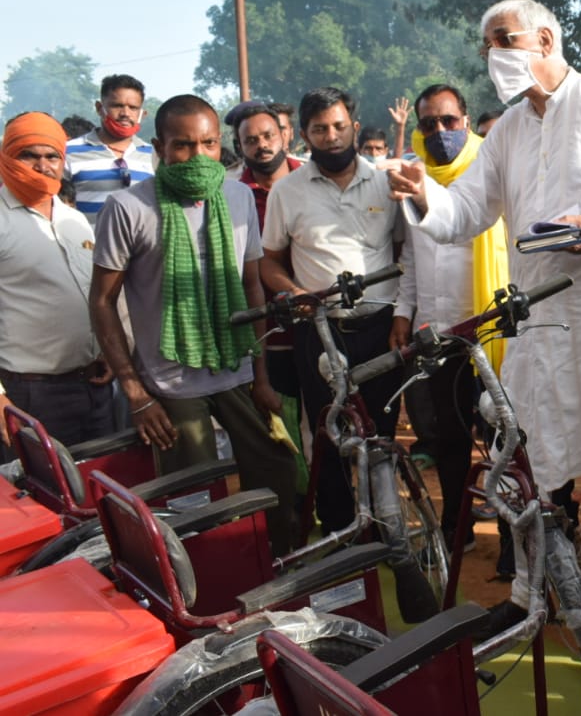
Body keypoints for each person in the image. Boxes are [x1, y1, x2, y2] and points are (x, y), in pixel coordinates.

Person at [386, 0, 581, 665]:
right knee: (528, 461)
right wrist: (421, 192)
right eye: (486, 43)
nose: (494, 53)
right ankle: (528, 594)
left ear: (546, 37)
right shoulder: (508, 130)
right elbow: (465, 212)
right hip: (538, 316)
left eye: (505, 38)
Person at [89, 95, 298, 555]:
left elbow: (251, 288)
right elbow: (102, 301)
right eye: (183, 145)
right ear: (160, 147)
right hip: (170, 377)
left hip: (235, 364)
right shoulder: (127, 208)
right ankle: (209, 579)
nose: (197, 156)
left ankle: (281, 564)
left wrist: (261, 378)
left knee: (277, 469)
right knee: (196, 493)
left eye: (207, 143)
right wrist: (137, 394)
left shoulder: (238, 195)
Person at [260, 87, 404, 538]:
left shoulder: (386, 181)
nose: (332, 136)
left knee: (381, 429)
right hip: (319, 331)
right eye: (320, 129)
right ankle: (341, 531)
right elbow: (269, 261)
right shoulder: (287, 191)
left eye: (339, 126)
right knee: (327, 432)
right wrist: (297, 292)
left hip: (380, 327)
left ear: (355, 128)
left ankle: (386, 527)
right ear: (303, 136)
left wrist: (403, 315)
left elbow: (406, 252)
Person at [393, 83, 509, 553]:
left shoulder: (493, 171)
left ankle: (510, 538)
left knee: (505, 439)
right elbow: (411, 259)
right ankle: (455, 526)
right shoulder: (413, 179)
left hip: (497, 331)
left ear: (464, 119)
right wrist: (404, 312)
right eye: (428, 124)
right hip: (440, 334)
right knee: (451, 438)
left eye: (449, 121)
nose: (440, 132)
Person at [0, 112, 114, 448]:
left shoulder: (74, 219)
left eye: (52, 156)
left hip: (94, 385)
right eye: (29, 155)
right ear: (7, 156)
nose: (42, 165)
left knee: (99, 488)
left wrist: (106, 350)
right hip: (32, 394)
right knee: (44, 496)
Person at [233, 104, 308, 491]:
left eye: (268, 136)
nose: (261, 146)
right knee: (281, 432)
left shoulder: (311, 179)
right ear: (239, 146)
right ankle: (295, 513)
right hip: (268, 336)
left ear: (285, 136)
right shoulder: (231, 194)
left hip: (320, 326)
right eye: (251, 140)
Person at [64, 74, 155, 227]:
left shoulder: (154, 155)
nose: (125, 113)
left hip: (139, 250)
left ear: (142, 114)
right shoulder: (68, 152)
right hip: (88, 248)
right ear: (100, 108)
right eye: (117, 105)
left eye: (133, 107)